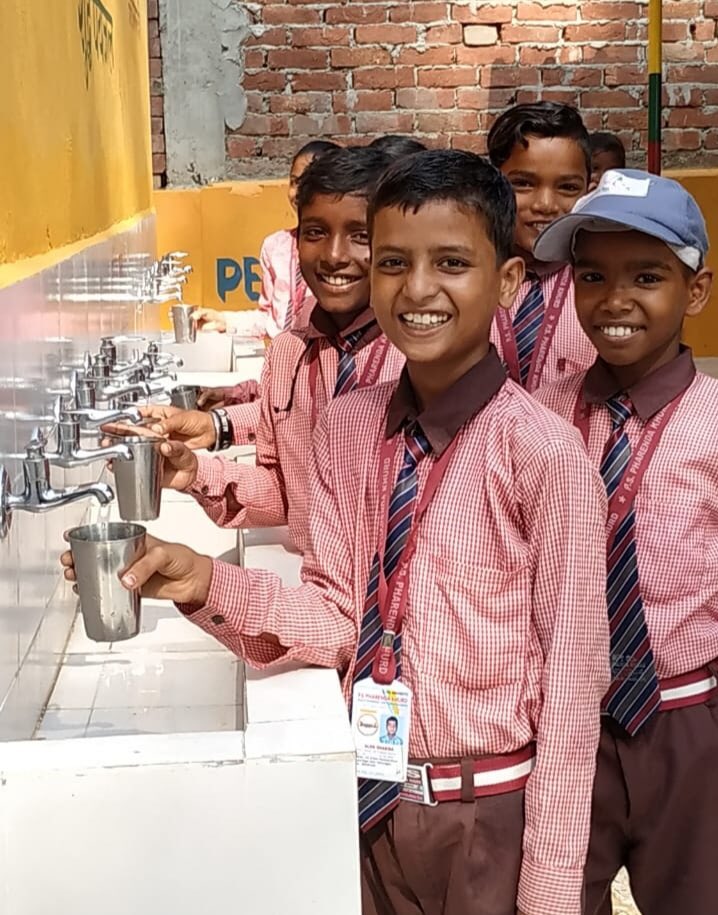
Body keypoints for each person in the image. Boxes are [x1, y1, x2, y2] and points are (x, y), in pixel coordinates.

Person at [68, 150, 610, 915]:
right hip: (372, 799)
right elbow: (332, 614)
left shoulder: (545, 457)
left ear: (508, 281)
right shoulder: (349, 428)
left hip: (491, 815)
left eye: (451, 263)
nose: (417, 289)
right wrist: (202, 579)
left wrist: (550, 888)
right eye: (394, 262)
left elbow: (574, 690)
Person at [533, 169, 715, 915]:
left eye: (646, 277)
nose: (614, 299)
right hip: (563, 725)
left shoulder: (713, 423)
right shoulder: (536, 418)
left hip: (686, 721)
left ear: (695, 291)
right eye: (593, 277)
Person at [134, 146, 404, 554]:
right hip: (315, 579)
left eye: (361, 236)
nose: (334, 255)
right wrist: (195, 473)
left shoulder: (414, 359)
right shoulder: (290, 355)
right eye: (315, 233)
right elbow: (285, 491)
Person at [192, 140, 340, 413]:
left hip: (322, 382)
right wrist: (226, 320)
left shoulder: (339, 258)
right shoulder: (276, 247)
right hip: (282, 376)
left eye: (310, 183)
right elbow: (271, 318)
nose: (298, 193)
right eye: (294, 182)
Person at [487, 101, 596, 391]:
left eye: (567, 187)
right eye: (523, 183)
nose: (545, 205)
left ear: (589, 192)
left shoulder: (600, 287)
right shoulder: (470, 279)